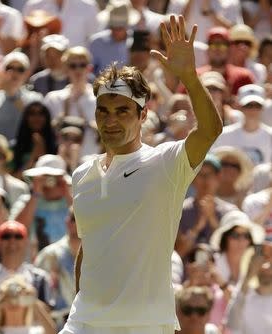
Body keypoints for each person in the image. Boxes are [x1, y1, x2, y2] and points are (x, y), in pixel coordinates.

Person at [60, 15, 222, 334]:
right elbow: (89, 245)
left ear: (143, 114)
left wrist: (189, 76)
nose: (111, 120)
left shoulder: (167, 162)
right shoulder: (82, 175)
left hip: (146, 326)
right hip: (84, 324)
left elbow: (210, 130)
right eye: (103, 111)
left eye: (122, 111)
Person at [0, 220, 54, 331]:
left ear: (26, 242)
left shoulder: (40, 279)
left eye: (18, 236)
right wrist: (0, 300)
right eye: (6, 236)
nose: (12, 241)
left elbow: (51, 325)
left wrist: (32, 299)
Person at [224, 248, 272, 333]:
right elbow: (232, 323)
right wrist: (249, 274)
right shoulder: (244, 296)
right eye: (263, 259)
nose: (266, 266)